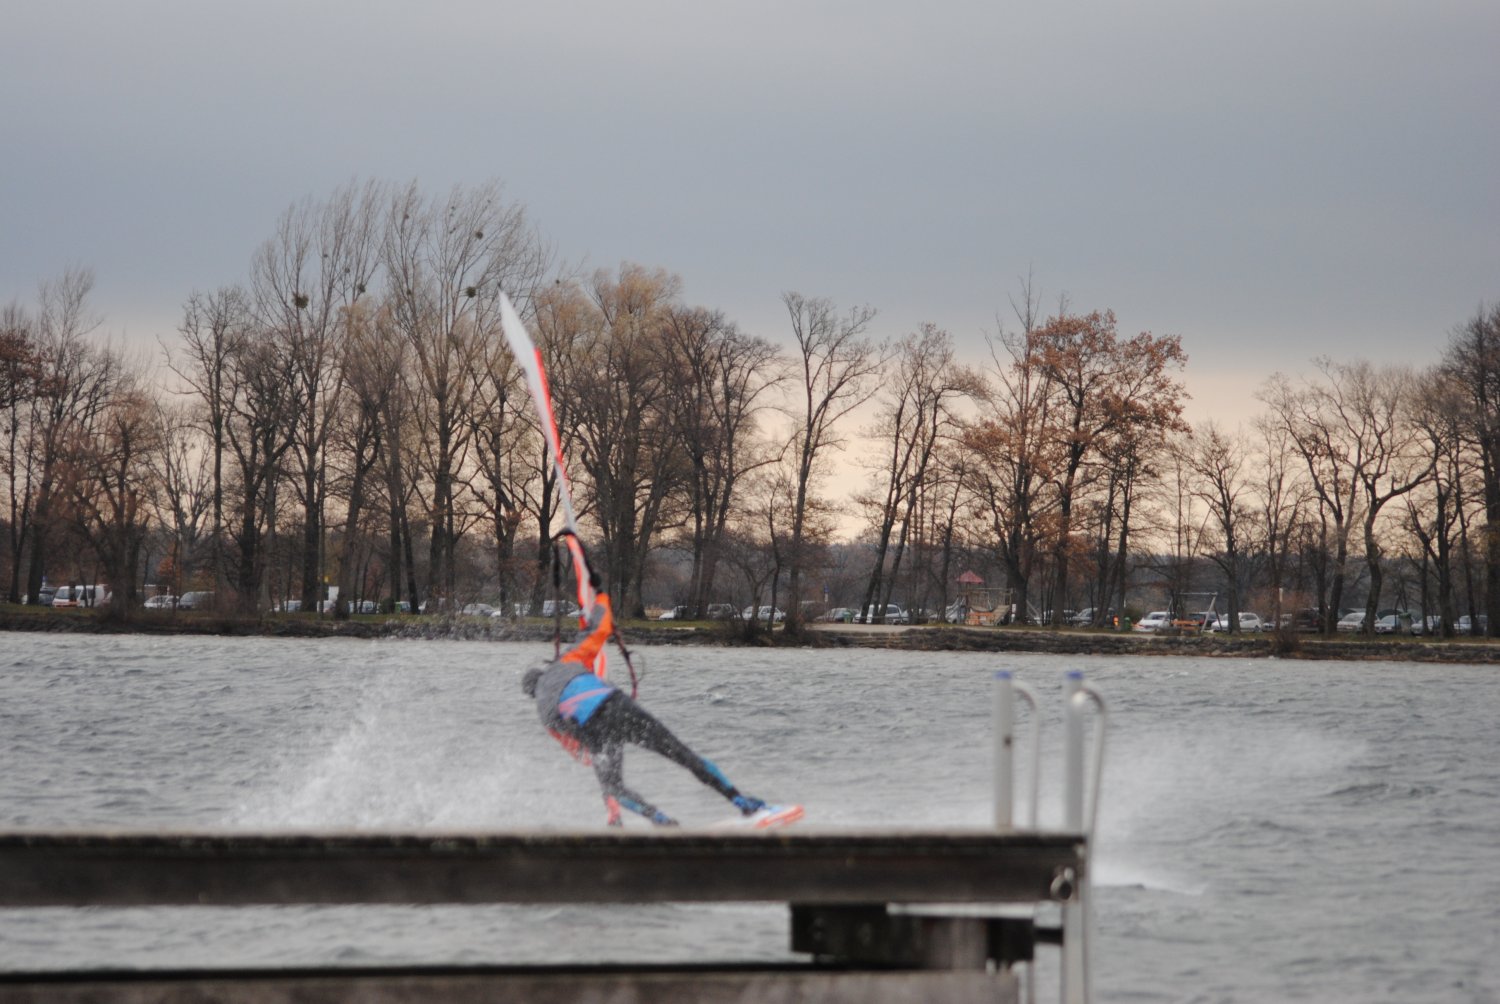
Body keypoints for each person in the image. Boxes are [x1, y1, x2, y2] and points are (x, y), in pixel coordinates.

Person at [522, 592, 767, 826]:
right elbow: (599, 628)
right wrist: (601, 598)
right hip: (617, 705)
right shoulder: (567, 659)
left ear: (532, 694)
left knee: (613, 787)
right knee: (680, 753)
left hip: (592, 729)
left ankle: (660, 819)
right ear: (544, 670)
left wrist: (603, 773)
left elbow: (577, 749)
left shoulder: (543, 712)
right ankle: (740, 800)